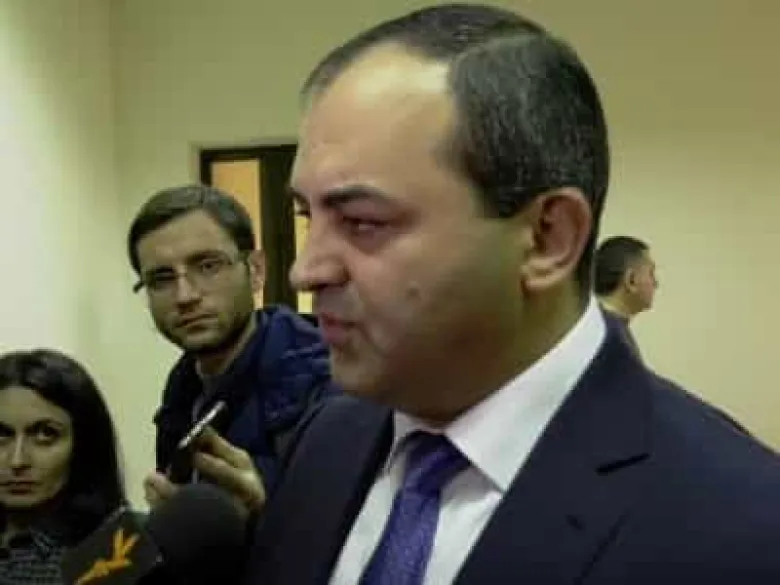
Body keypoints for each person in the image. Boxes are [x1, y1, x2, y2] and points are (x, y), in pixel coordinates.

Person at [233, 4, 780, 584]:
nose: (306, 271)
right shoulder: (326, 442)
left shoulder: (740, 530)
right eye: (306, 215)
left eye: (363, 222)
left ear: (547, 239)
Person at [126, 184, 335, 510]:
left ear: (256, 271)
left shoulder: (328, 385)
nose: (185, 296)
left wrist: (262, 515)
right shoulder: (182, 390)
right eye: (162, 279)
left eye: (208, 266)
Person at [0, 349, 126, 585]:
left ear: (83, 444)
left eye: (45, 434)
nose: (17, 461)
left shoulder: (114, 551)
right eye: (1, 435)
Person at [594, 235, 657, 357]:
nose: (656, 283)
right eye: (651, 273)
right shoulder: (611, 338)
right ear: (631, 280)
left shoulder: (599, 326)